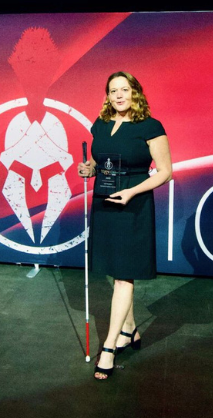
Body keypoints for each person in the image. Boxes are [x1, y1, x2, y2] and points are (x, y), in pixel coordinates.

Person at [77, 71, 172, 380]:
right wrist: (87, 169)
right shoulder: (100, 125)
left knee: (124, 275)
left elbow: (165, 172)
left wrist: (132, 190)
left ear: (135, 93)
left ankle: (108, 348)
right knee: (114, 269)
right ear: (108, 95)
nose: (118, 95)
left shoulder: (150, 127)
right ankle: (130, 330)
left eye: (124, 90)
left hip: (133, 205)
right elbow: (100, 162)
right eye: (113, 90)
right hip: (104, 203)